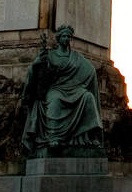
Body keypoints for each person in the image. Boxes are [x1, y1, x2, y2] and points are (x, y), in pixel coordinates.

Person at [22, 25, 104, 155]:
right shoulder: (50, 54)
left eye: (68, 37)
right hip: (56, 89)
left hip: (74, 89)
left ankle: (88, 135)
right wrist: (38, 62)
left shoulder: (75, 56)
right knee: (54, 100)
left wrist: (82, 82)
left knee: (88, 97)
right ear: (59, 39)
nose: (66, 39)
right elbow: (35, 69)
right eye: (64, 36)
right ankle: (53, 136)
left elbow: (90, 70)